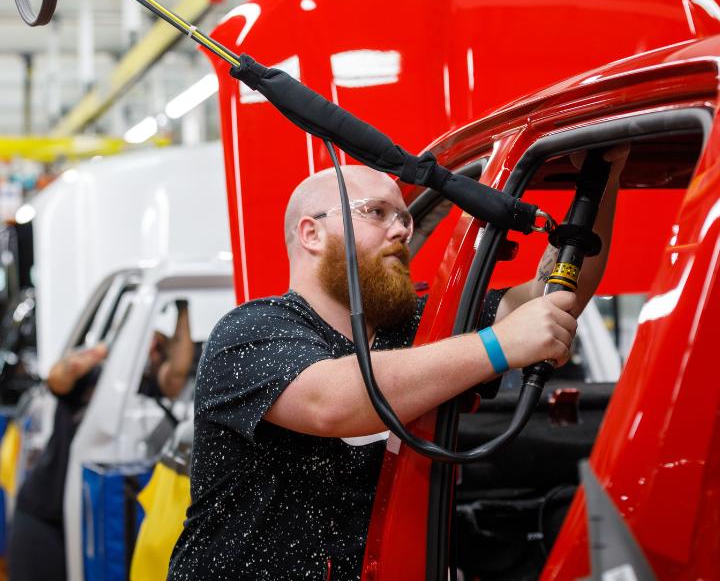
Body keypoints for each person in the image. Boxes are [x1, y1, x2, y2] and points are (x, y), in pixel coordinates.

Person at [168, 149, 627, 581]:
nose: (402, 230)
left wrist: (604, 176)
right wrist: (498, 345)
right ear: (312, 233)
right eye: (376, 212)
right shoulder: (250, 331)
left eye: (404, 218)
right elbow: (333, 401)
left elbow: (553, 298)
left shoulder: (415, 329)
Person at [8, 299, 193, 581]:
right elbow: (59, 375)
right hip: (46, 514)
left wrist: (182, 309)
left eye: (158, 346)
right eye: (149, 341)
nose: (152, 348)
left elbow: (178, 368)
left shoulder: (151, 385)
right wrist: (119, 344)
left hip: (95, 520)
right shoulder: (92, 377)